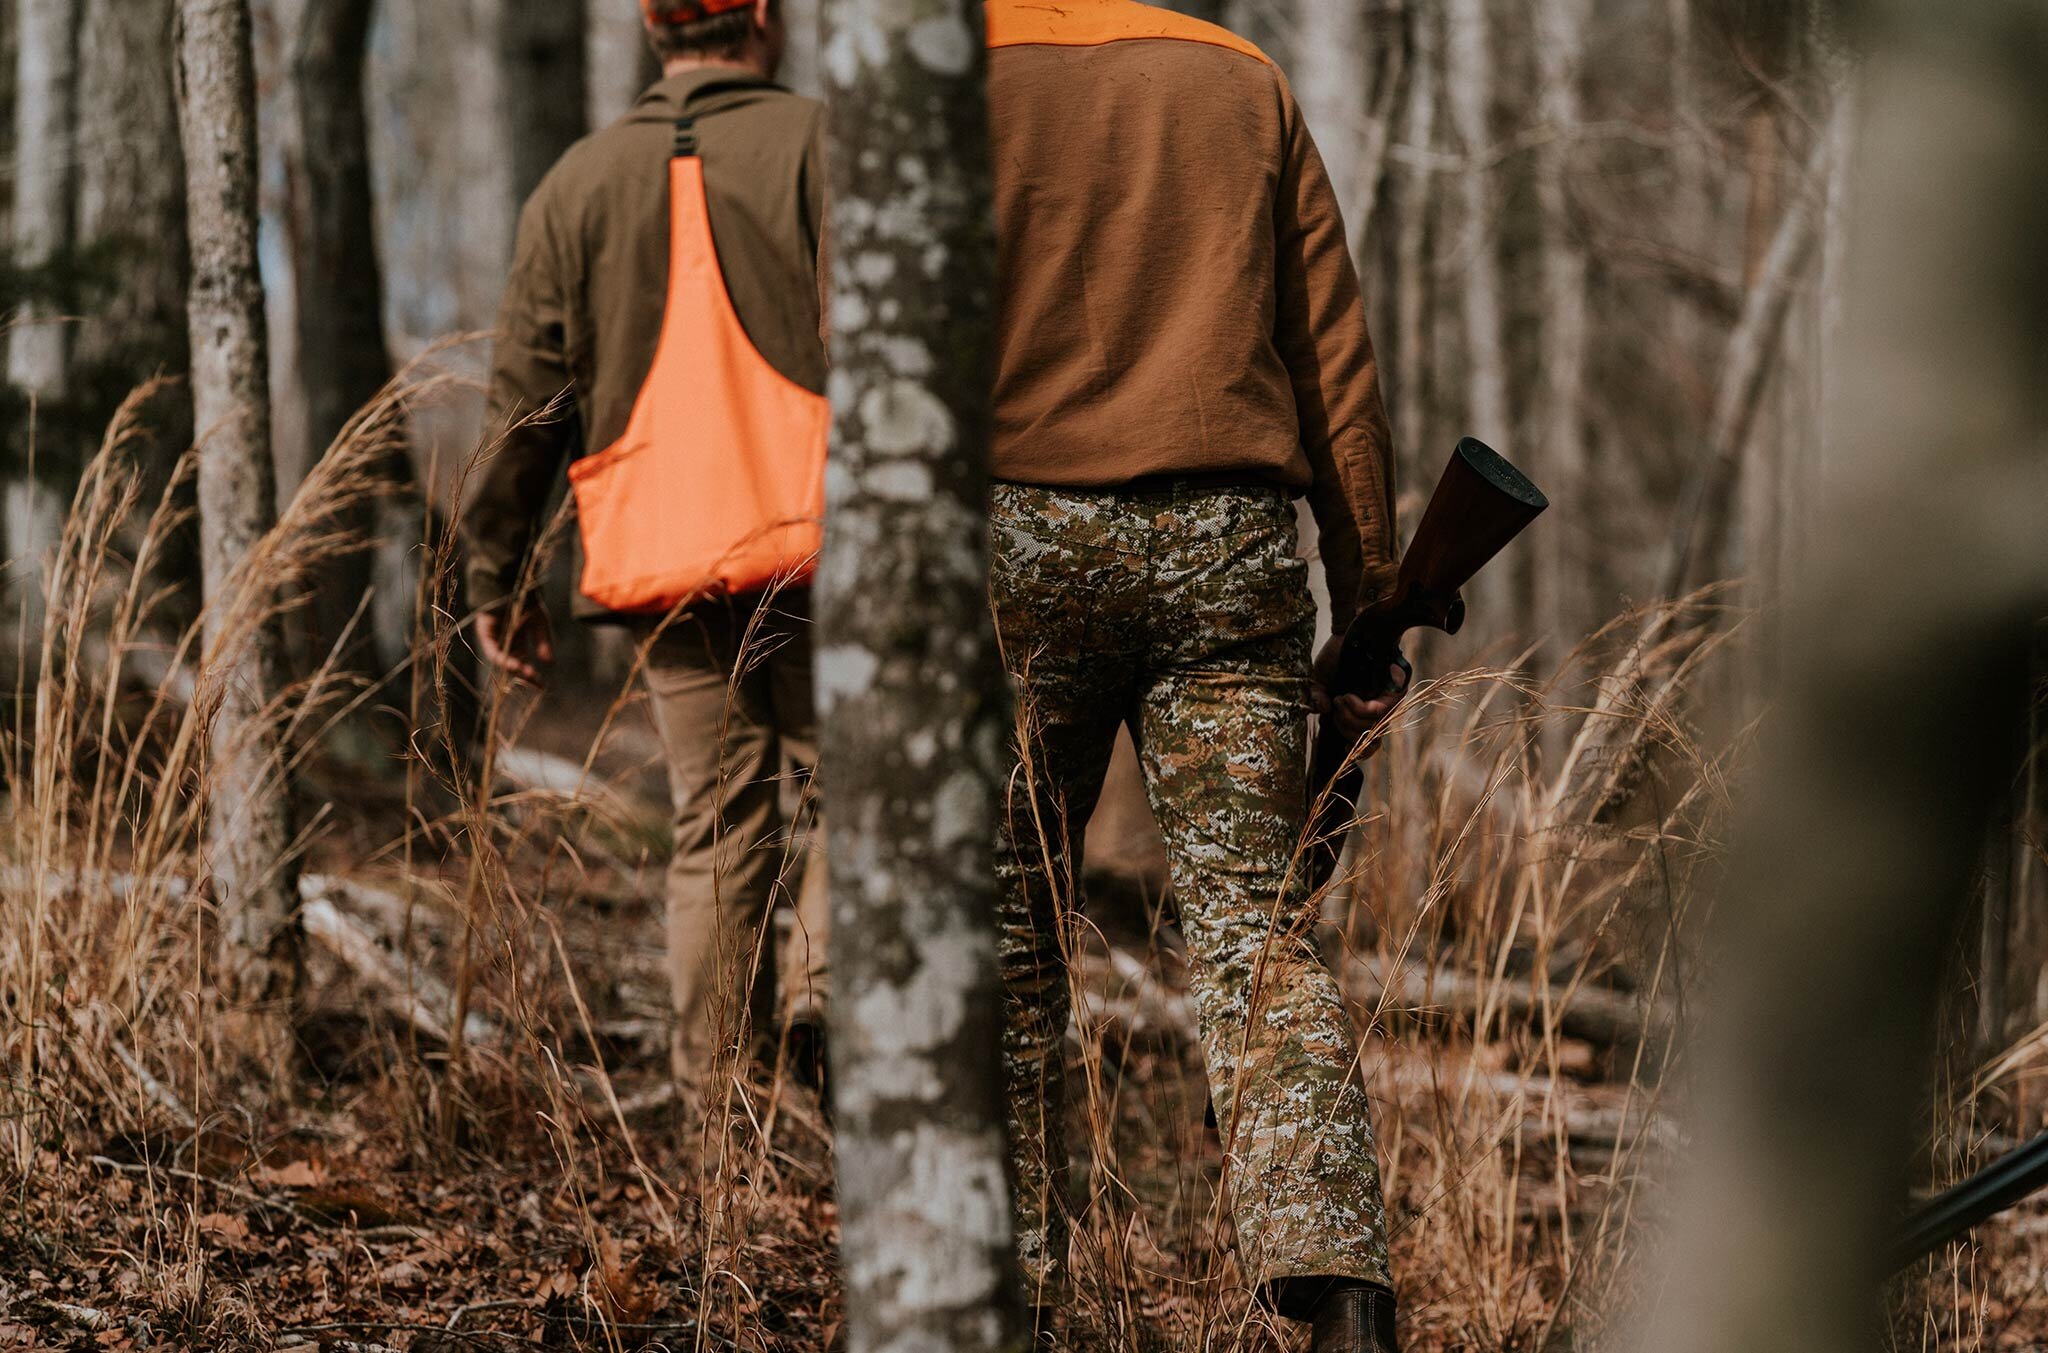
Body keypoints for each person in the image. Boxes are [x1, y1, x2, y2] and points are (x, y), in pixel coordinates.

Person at [982, 2, 1411, 1349]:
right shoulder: (1244, 79)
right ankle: (1341, 1290)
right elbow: (1336, 372)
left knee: (1004, 931)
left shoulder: (942, 72)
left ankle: (1011, 1299)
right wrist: (1371, 608)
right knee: (1255, 924)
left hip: (1013, 542)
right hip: (1230, 545)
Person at [460, 0, 832, 1114]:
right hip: (827, 536)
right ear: (762, 15)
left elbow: (526, 403)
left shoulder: (575, 182)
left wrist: (498, 575)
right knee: (855, 789)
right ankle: (819, 1005)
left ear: (649, 22)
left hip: (661, 549)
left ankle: (721, 1121)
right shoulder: (826, 147)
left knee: (715, 825)